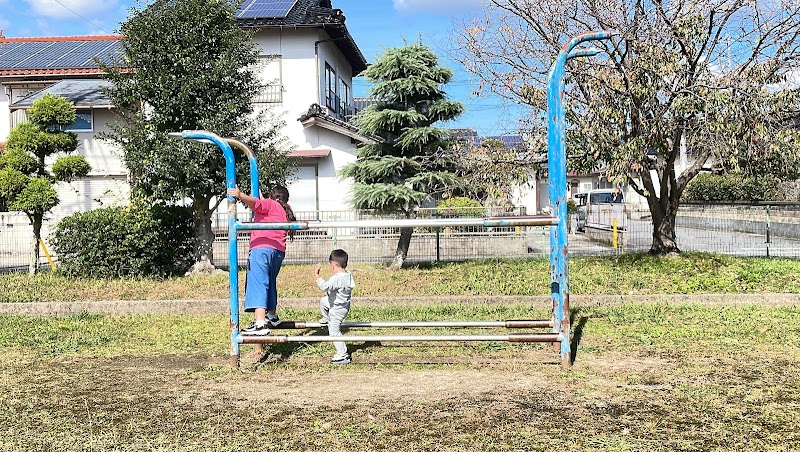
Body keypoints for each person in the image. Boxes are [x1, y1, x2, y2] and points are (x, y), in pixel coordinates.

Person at [227, 184, 295, 336]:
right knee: (269, 282)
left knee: (258, 282)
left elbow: (257, 203)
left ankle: (260, 323)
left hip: (261, 249)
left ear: (273, 197)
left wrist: (240, 195)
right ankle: (271, 316)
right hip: (278, 251)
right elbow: (261, 201)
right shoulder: (285, 209)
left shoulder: (270, 204)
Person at [314, 249, 355, 364]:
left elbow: (325, 287)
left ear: (333, 265)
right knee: (323, 301)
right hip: (341, 305)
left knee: (334, 331)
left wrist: (317, 276)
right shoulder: (347, 275)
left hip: (337, 309)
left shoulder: (337, 278)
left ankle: (343, 355)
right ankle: (326, 318)